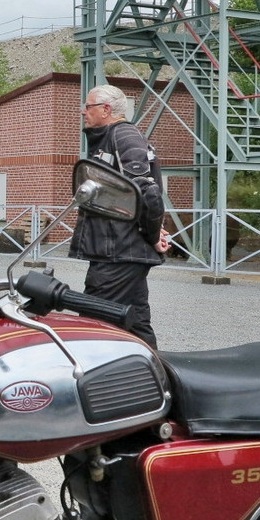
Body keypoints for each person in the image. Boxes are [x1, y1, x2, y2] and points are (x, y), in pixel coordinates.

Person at [68, 84, 168, 349]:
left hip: (118, 254)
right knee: (135, 323)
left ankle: (94, 383)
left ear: (106, 109)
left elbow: (149, 194)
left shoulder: (124, 136)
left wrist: (154, 233)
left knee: (92, 323)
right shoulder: (109, 138)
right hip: (117, 252)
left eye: (87, 106)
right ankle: (157, 380)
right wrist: (153, 231)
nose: (82, 112)